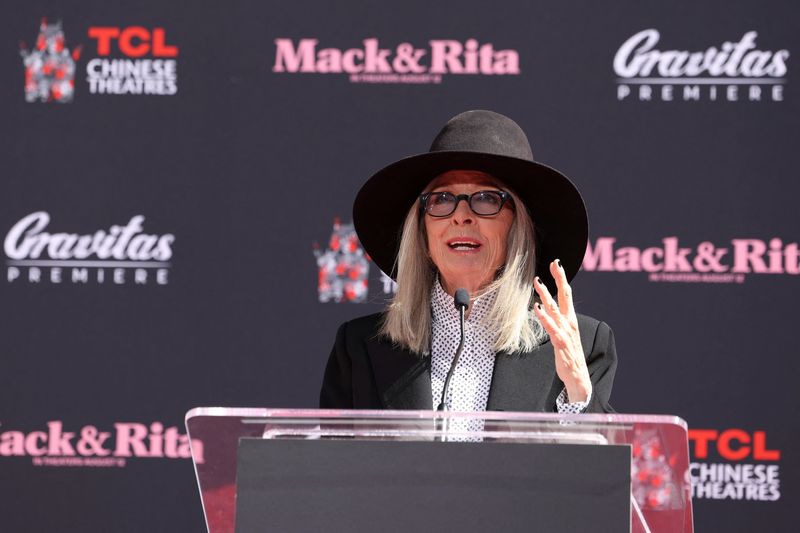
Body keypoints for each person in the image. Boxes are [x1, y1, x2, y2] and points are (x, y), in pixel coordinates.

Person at [320, 110, 616, 413]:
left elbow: (599, 458)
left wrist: (579, 397)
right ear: (422, 231)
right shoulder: (359, 347)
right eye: (442, 199)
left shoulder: (580, 344)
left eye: (486, 198)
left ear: (518, 227)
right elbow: (331, 459)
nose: (461, 215)